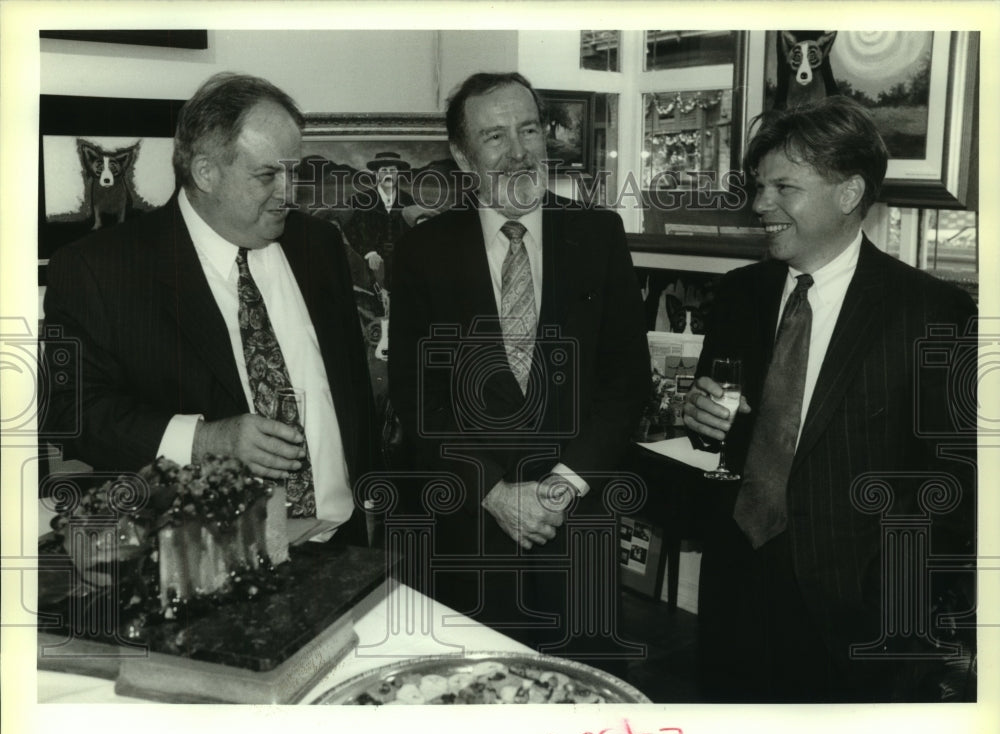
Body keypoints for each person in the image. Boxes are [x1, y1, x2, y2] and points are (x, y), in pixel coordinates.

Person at [683, 95, 977, 702]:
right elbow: (722, 428)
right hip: (736, 577)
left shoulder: (929, 312)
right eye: (759, 186)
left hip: (850, 613)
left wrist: (889, 597)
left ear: (848, 194)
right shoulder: (741, 294)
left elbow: (953, 485)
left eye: (784, 187)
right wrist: (704, 419)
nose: (761, 204)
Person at [43, 72, 377, 541]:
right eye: (268, 174)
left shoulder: (318, 244)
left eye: (294, 170)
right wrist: (203, 441)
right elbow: (72, 410)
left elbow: (351, 388)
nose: (289, 191)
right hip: (205, 562)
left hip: (346, 543)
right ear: (205, 172)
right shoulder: (99, 270)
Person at [389, 72, 650, 664]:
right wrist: (495, 492)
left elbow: (626, 380)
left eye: (529, 129)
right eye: (495, 136)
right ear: (461, 155)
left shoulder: (597, 234)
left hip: (577, 526)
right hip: (469, 530)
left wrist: (561, 488)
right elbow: (416, 398)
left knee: (579, 703)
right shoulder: (424, 253)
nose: (520, 151)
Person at [342, 151, 415, 292]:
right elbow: (350, 229)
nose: (389, 174)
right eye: (384, 170)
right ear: (376, 174)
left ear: (398, 174)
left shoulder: (408, 201)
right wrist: (369, 252)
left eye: (393, 170)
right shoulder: (359, 200)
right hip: (366, 263)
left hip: (401, 264)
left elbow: (412, 233)